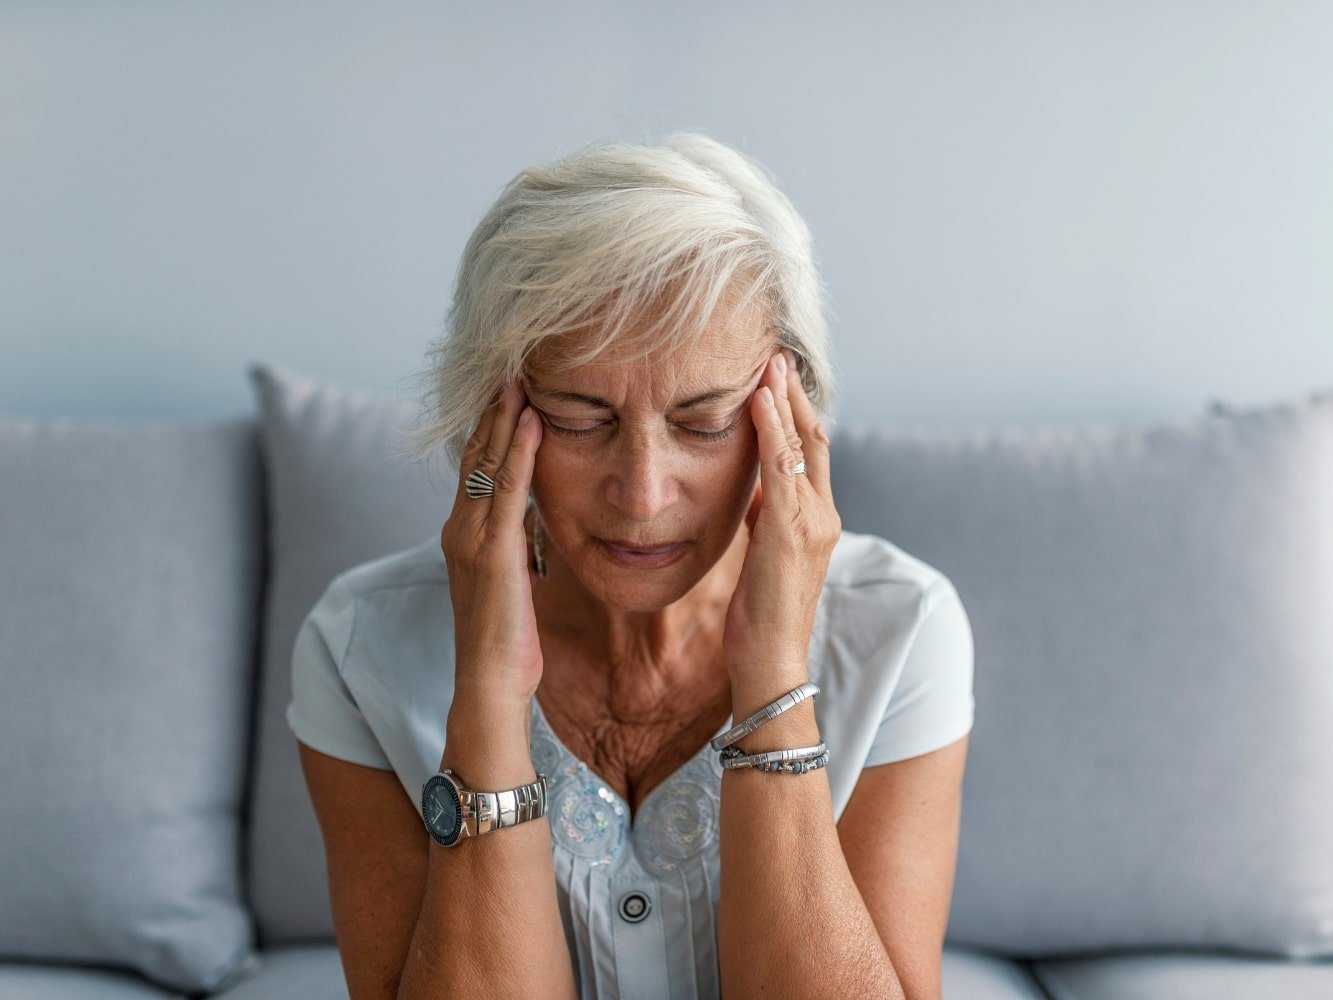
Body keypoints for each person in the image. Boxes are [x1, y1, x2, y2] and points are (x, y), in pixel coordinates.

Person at [288, 132, 975, 1000]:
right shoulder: (358, 649)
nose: (643, 494)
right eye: (580, 418)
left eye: (703, 421)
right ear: (489, 415)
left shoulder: (903, 628)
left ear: (788, 414)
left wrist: (769, 679)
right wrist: (491, 694)